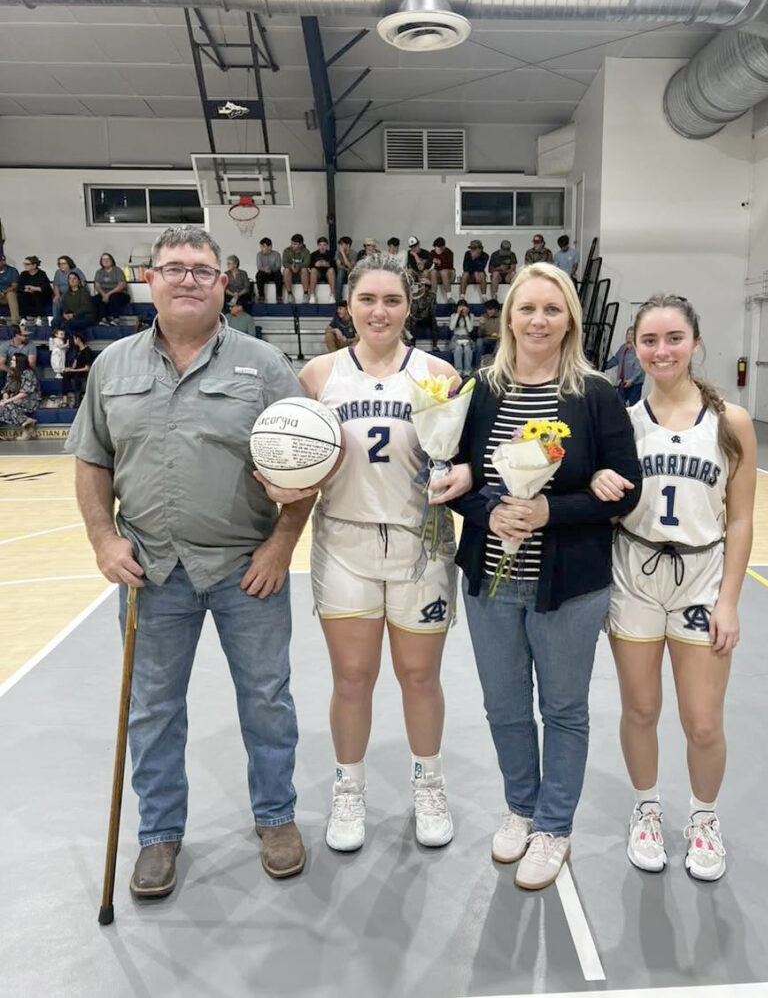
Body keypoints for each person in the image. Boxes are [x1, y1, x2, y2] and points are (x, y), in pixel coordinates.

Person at [66, 225, 312, 900]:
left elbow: (309, 466)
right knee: (152, 709)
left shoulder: (265, 366)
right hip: (150, 571)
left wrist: (282, 544)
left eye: (202, 270)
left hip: (246, 569)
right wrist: (102, 539)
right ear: (150, 279)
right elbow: (92, 460)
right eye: (173, 268)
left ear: (223, 284)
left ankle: (276, 818)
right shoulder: (113, 367)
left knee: (267, 701)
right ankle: (159, 833)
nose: (187, 280)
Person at [439, 262, 641, 890]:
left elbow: (625, 490)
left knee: (563, 708)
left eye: (552, 309)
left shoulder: (596, 394)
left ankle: (554, 825)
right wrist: (489, 512)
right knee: (503, 706)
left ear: (570, 320)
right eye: (527, 308)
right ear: (508, 317)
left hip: (570, 585)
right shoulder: (480, 389)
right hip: (491, 582)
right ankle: (521, 807)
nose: (538, 320)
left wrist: (553, 511)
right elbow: (455, 476)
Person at [263, 253, 465, 855]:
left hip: (420, 543)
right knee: (352, 678)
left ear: (409, 307)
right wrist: (279, 483)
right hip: (345, 542)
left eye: (392, 300)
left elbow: (460, 459)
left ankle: (429, 785)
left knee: (420, 676)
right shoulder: (318, 375)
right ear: (348, 306)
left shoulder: (438, 374)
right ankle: (348, 789)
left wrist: (459, 475)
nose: (380, 311)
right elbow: (288, 458)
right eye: (368, 300)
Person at [592, 294, 756, 883]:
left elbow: (741, 519)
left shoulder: (732, 422)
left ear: (695, 342)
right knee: (640, 709)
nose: (662, 351)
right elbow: (603, 505)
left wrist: (729, 601)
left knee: (703, 721)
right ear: (633, 347)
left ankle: (704, 819)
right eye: (650, 340)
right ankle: (646, 809)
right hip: (634, 577)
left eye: (674, 338)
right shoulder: (620, 420)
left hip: (701, 580)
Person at [0, 352, 40, 439]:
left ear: (20, 362)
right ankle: (28, 426)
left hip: (29, 400)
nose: (11, 361)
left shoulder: (28, 373)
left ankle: (26, 421)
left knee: (9, 406)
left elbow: (25, 393)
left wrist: (7, 401)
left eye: (13, 360)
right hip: (14, 398)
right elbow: (7, 389)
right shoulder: (11, 373)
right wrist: (5, 398)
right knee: (2, 406)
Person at [605, 327, 645, 406]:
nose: (629, 336)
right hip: (624, 381)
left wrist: (631, 380)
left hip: (635, 384)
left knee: (633, 406)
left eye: (632, 334)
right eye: (628, 334)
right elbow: (615, 360)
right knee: (619, 403)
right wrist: (604, 365)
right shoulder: (623, 347)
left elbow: (639, 368)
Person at [93, 252, 131, 325]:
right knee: (96, 299)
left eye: (108, 259)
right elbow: (97, 285)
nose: (106, 261)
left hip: (119, 293)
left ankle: (116, 319)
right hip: (104, 293)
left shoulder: (117, 270)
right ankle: (103, 319)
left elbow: (121, 284)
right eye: (103, 259)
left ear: (112, 260)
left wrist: (108, 294)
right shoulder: (99, 272)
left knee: (114, 297)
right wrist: (104, 294)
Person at [61, 332, 94, 407]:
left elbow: (87, 368)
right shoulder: (78, 351)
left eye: (74, 339)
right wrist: (69, 369)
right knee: (65, 375)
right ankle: (65, 400)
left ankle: (78, 400)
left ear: (78, 339)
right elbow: (74, 366)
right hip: (76, 372)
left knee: (76, 378)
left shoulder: (87, 351)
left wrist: (73, 370)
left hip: (83, 373)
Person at [407, 277, 439, 351]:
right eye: (420, 285)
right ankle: (412, 344)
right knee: (412, 320)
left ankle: (435, 345)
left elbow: (433, 310)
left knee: (434, 321)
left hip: (427, 317)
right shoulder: (415, 295)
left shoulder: (432, 296)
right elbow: (413, 310)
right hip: (418, 317)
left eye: (423, 286)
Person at [52, 255, 87, 323]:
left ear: (69, 264)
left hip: (74, 293)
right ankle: (56, 320)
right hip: (63, 294)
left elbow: (83, 282)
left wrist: (75, 290)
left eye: (64, 264)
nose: (61, 266)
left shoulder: (76, 270)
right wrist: (57, 295)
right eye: (60, 264)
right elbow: (56, 285)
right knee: (56, 301)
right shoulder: (58, 272)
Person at [449, 298, 476, 375]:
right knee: (458, 349)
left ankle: (467, 371)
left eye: (464, 307)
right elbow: (451, 328)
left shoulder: (471, 316)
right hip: (456, 337)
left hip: (466, 338)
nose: (462, 309)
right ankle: (458, 370)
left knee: (467, 349)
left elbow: (470, 329)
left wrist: (466, 316)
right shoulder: (453, 315)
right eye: (460, 307)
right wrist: (457, 314)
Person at [282, 234, 311, 300]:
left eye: (295, 244)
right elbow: (284, 263)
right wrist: (291, 266)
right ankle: (289, 294)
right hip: (291, 271)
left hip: (301, 272)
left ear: (300, 245)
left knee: (304, 270)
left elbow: (307, 263)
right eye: (292, 243)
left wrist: (298, 266)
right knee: (286, 270)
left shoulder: (306, 252)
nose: (292, 245)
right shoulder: (287, 251)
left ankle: (305, 294)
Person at [255, 237, 283, 302]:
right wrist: (265, 269)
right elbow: (259, 267)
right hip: (264, 273)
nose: (261, 249)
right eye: (261, 247)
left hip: (274, 273)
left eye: (263, 246)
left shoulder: (276, 254)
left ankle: (279, 296)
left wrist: (270, 269)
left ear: (269, 247)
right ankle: (261, 296)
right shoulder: (259, 255)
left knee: (279, 275)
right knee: (258, 275)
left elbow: (278, 266)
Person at [475, 298, 501, 366]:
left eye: (491, 309)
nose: (489, 311)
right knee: (479, 342)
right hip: (487, 338)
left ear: (496, 309)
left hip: (498, 339)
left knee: (501, 343)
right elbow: (479, 334)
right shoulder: (484, 316)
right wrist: (482, 325)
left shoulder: (502, 316)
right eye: (488, 309)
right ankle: (478, 365)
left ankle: (497, 365)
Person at [309, 236, 336, 302]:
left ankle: (332, 295)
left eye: (324, 245)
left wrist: (327, 264)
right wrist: (316, 264)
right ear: (318, 246)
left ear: (327, 246)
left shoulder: (331, 254)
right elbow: (309, 266)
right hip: (318, 274)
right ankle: (312, 295)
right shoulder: (313, 254)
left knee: (331, 270)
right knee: (313, 270)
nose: (322, 247)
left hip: (328, 274)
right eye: (320, 245)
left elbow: (335, 266)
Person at [0, 256, 20, 326]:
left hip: (7, 294)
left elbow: (14, 286)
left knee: (11, 294)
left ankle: (15, 322)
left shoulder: (12, 270)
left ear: (3, 262)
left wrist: (4, 292)